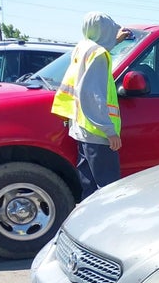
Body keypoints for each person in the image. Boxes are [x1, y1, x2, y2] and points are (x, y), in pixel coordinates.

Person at [51, 12, 132, 199]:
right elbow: (92, 95)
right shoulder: (99, 55)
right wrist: (109, 131)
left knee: (89, 186)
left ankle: (85, 222)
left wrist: (115, 42)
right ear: (105, 30)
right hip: (98, 133)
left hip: (81, 128)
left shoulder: (83, 47)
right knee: (108, 188)